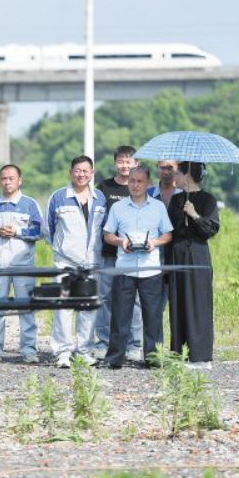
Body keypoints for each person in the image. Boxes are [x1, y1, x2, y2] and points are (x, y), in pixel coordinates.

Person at [98, 167, 173, 369]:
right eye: (132, 181)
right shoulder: (118, 207)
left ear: (148, 183)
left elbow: (168, 234)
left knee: (153, 317)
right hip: (125, 269)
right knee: (120, 317)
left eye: (140, 181)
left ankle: (153, 359)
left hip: (151, 270)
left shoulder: (158, 207)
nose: (135, 185)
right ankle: (114, 359)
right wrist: (121, 242)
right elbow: (107, 235)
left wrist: (154, 243)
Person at [0, 164, 43, 364]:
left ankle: (29, 349)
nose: (7, 182)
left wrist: (18, 231)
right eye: (4, 178)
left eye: (11, 178)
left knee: (26, 307)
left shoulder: (30, 204)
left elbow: (40, 231)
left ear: (19, 180)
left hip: (23, 264)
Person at [45, 156, 107, 368]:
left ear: (92, 173)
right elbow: (49, 229)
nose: (81, 174)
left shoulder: (99, 197)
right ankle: (63, 352)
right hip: (65, 262)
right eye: (77, 170)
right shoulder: (58, 197)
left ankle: (84, 351)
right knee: (63, 307)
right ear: (71, 172)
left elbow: (103, 229)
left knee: (88, 307)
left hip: (92, 261)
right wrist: (62, 249)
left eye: (85, 171)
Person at [167, 161, 220, 368]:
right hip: (177, 254)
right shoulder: (176, 199)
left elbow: (211, 230)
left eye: (177, 174)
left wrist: (195, 215)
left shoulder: (208, 199)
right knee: (178, 301)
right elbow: (169, 230)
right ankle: (179, 354)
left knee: (198, 302)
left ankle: (201, 357)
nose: (174, 178)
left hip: (197, 254)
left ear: (187, 175)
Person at [95, 146, 144, 361]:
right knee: (104, 297)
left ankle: (134, 345)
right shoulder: (104, 187)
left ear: (136, 164)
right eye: (121, 161)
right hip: (108, 252)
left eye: (129, 161)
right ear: (115, 163)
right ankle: (104, 341)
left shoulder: (140, 187)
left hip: (133, 253)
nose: (125, 165)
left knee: (134, 299)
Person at [147, 159, 182, 344]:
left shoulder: (185, 195)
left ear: (177, 170)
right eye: (162, 168)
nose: (166, 172)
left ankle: (180, 349)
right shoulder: (148, 194)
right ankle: (155, 351)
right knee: (154, 308)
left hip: (179, 257)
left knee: (181, 307)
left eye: (170, 168)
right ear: (157, 169)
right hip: (154, 257)